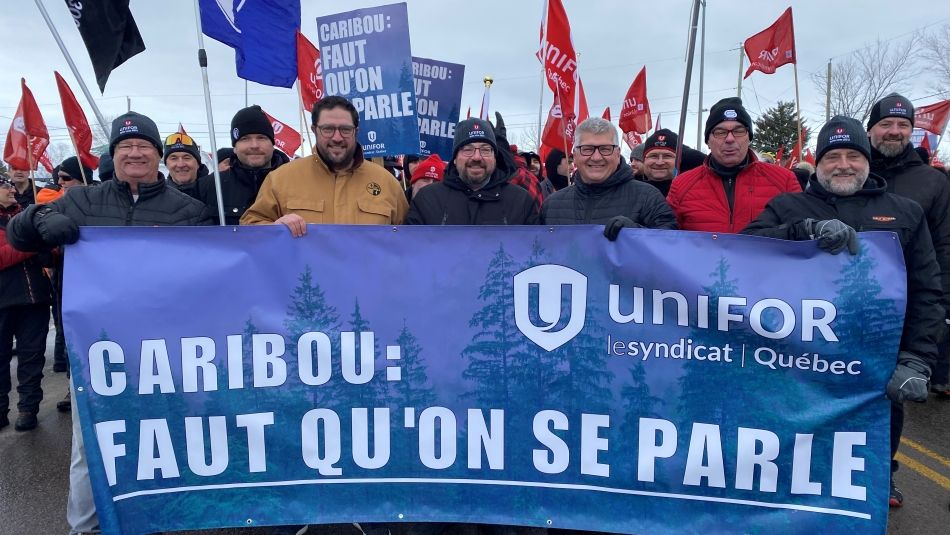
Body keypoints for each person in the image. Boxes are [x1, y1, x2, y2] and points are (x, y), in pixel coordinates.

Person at [7, 111, 210, 535]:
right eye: (125, 147)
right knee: (92, 445)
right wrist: (40, 219)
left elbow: (208, 276)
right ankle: (85, 527)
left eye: (143, 147)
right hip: (97, 350)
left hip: (164, 349)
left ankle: (160, 519)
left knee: (164, 440)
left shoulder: (189, 210)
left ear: (158, 155)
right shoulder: (82, 201)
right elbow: (20, 234)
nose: (134, 153)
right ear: (113, 155)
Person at [742, 115, 941, 508]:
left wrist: (918, 360)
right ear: (818, 163)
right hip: (798, 360)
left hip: (876, 363)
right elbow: (745, 251)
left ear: (867, 160)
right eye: (833, 156)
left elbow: (926, 291)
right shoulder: (787, 206)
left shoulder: (905, 212)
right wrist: (802, 231)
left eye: (853, 155)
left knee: (866, 460)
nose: (844, 164)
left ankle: (877, 484)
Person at [866, 93, 950, 398]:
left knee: (890, 403)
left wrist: (941, 317)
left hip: (904, 312)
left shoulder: (932, 182)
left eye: (903, 124)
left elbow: (944, 250)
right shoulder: (850, 173)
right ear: (870, 130)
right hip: (851, 309)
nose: (895, 130)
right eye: (886, 123)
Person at [242, 95, 408, 233]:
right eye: (328, 129)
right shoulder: (280, 179)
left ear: (356, 132)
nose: (337, 137)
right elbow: (249, 229)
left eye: (345, 129)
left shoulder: (388, 184)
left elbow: (411, 243)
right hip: (304, 274)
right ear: (315, 130)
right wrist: (274, 229)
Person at [667, 97, 800, 233]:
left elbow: (801, 233)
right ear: (708, 140)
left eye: (738, 131)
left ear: (749, 137)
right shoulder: (681, 185)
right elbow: (667, 241)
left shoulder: (785, 181)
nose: (730, 139)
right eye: (720, 132)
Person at [541, 117, 676, 239]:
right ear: (575, 156)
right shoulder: (551, 205)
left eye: (605, 149)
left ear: (617, 154)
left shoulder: (648, 197)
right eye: (587, 149)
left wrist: (636, 233)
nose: (596, 157)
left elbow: (670, 246)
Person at [407, 118, 537, 225]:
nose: (476, 157)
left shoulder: (520, 201)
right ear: (455, 159)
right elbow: (410, 249)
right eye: (467, 149)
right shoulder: (428, 198)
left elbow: (536, 251)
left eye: (485, 150)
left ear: (495, 157)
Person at [0, 177, 52, 432]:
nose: (12, 189)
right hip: (3, 302)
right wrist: (34, 243)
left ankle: (28, 409)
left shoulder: (26, 216)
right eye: (4, 186)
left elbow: (49, 249)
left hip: (35, 300)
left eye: (11, 186)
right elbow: (3, 256)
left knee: (32, 357)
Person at [197, 105, 290, 224]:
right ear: (235, 147)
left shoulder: (295, 183)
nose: (254, 145)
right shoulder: (210, 186)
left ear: (272, 143)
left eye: (261, 137)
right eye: (245, 139)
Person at [164, 132, 209, 198]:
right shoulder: (157, 195)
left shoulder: (215, 190)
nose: (180, 165)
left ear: (198, 163)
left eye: (186, 158)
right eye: (174, 158)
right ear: (166, 164)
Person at [636, 128, 678, 197]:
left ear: (679, 160)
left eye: (667, 156)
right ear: (644, 160)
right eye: (653, 156)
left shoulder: (690, 192)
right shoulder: (628, 191)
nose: (659, 162)